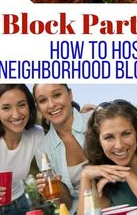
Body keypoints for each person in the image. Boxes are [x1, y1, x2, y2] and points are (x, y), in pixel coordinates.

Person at [33, 84, 93, 215]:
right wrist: (55, 186)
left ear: (70, 94)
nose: (51, 104)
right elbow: (66, 204)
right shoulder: (42, 150)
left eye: (57, 95)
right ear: (38, 107)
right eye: (43, 100)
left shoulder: (95, 120)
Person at [0, 84, 44, 215]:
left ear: (30, 106)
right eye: (6, 108)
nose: (16, 114)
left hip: (19, 204)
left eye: (21, 105)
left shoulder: (36, 134)